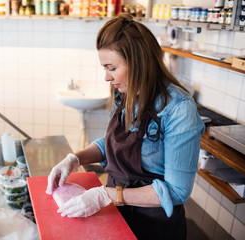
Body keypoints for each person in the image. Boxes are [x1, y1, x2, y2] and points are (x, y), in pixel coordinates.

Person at [46, 13, 205, 240]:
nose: (106, 78)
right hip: (118, 214)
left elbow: (177, 191)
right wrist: (75, 159)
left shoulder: (179, 109)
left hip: (154, 226)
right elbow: (112, 144)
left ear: (137, 62)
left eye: (111, 67)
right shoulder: (125, 94)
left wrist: (106, 195)